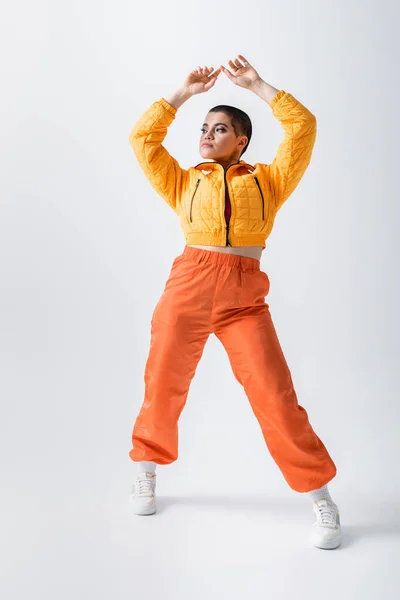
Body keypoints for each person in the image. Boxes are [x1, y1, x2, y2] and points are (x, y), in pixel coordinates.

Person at [127, 55, 341, 550]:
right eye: (204, 128)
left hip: (246, 298)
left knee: (275, 396)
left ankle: (320, 497)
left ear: (241, 140)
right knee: (163, 382)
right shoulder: (183, 180)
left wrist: (258, 85)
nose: (206, 134)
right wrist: (182, 96)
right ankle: (146, 470)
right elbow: (142, 138)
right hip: (189, 285)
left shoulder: (269, 179)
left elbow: (303, 127)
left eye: (219, 128)